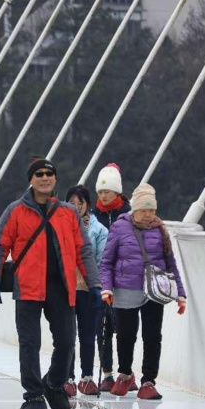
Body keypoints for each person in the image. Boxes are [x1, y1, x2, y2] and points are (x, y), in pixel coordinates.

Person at [0, 157, 101, 409]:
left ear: (55, 179)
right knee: (30, 344)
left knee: (66, 342)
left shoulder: (67, 213)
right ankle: (33, 394)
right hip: (27, 287)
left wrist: (94, 284)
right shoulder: (15, 211)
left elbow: (84, 250)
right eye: (39, 174)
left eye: (49, 173)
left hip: (61, 287)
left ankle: (54, 384)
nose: (45, 177)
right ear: (31, 180)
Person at [99, 184, 187, 400]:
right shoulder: (120, 228)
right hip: (125, 289)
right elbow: (106, 262)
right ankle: (126, 373)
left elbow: (171, 263)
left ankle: (148, 381)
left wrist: (180, 294)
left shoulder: (160, 229)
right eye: (144, 210)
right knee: (126, 335)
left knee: (152, 336)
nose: (149, 215)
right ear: (134, 210)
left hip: (153, 291)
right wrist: (106, 288)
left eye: (152, 210)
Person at [92, 163, 132, 392]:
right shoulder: (94, 215)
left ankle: (125, 373)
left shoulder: (128, 214)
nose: (103, 195)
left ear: (117, 191)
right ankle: (107, 373)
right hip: (99, 279)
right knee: (102, 327)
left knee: (123, 326)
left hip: (124, 279)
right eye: (99, 192)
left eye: (107, 191)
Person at [65, 185, 108, 397]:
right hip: (65, 289)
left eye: (79, 203)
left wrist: (98, 286)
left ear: (87, 205)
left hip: (87, 289)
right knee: (67, 335)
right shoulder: (61, 226)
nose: (76, 207)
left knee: (88, 335)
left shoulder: (99, 231)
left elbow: (101, 260)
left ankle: (87, 377)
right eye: (71, 203)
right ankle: (68, 377)